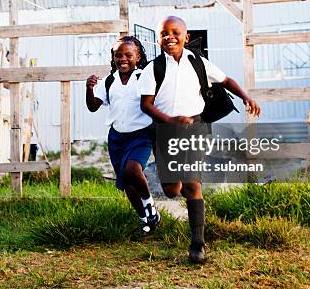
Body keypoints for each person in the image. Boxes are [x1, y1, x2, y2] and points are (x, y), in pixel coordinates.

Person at [139, 16, 261, 263]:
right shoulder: (154, 68)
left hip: (196, 127)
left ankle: (198, 244)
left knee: (193, 183)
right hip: (165, 131)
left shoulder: (199, 63)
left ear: (186, 37)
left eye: (175, 33)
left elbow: (227, 81)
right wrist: (170, 121)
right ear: (158, 39)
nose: (169, 37)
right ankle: (179, 185)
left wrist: (246, 97)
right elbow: (146, 105)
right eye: (164, 33)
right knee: (172, 190)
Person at [86, 36, 161, 233]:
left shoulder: (144, 77)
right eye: (118, 55)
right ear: (113, 57)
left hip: (141, 134)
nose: (123, 59)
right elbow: (93, 106)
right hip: (117, 137)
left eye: (129, 55)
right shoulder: (109, 81)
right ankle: (145, 220)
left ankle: (150, 205)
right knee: (127, 181)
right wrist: (89, 88)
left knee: (132, 169)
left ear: (138, 57)